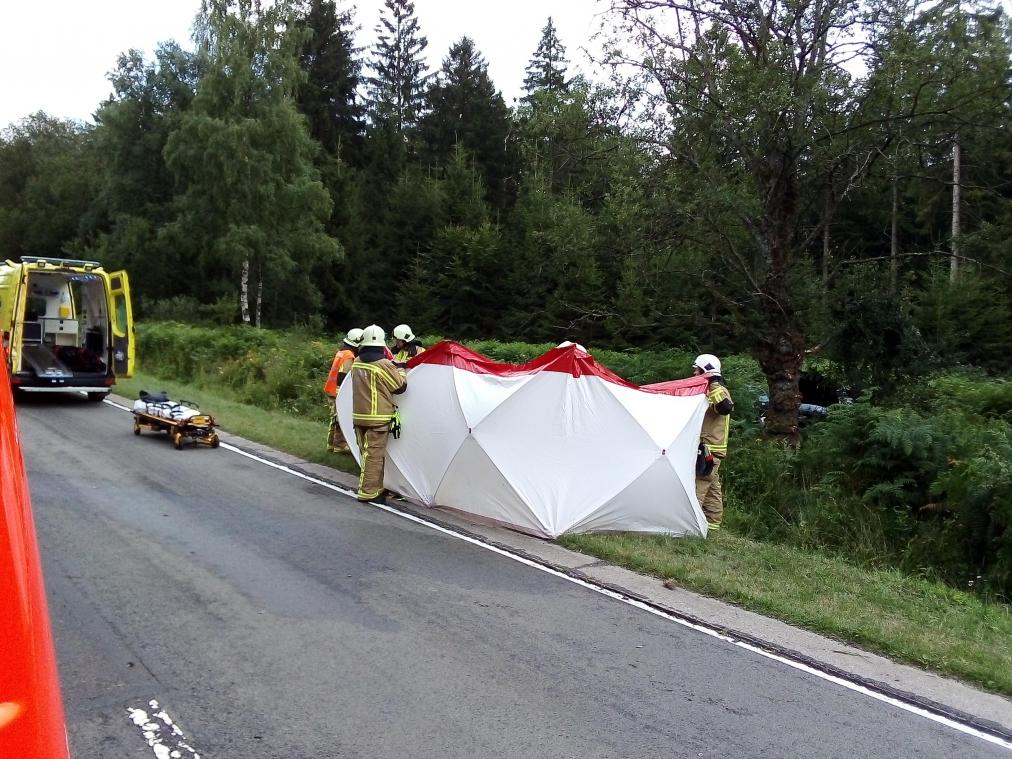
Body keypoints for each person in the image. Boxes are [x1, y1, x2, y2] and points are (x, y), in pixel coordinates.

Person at [350, 325, 406, 504]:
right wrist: (401, 370)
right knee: (374, 455)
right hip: (378, 418)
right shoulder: (383, 365)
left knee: (366, 453)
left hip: (359, 415)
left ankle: (376, 486)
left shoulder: (357, 362)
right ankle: (368, 492)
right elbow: (400, 387)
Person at [693, 353, 734, 530]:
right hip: (711, 448)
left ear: (705, 371)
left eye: (697, 370)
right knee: (712, 489)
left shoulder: (718, 391)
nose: (694, 373)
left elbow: (725, 407)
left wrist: (713, 384)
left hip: (710, 449)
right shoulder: (709, 391)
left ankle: (690, 525)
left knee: (699, 485)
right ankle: (713, 525)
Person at [324, 328, 363, 453]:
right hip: (337, 392)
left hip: (331, 390)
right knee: (341, 418)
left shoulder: (341, 352)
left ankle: (331, 444)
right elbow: (343, 375)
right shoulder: (349, 356)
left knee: (334, 418)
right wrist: (342, 394)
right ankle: (340, 445)